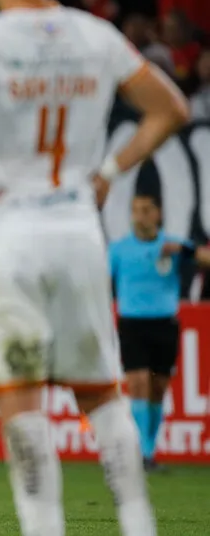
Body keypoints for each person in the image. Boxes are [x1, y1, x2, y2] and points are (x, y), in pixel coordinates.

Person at [0, 0, 190, 535]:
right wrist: (109, 174)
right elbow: (170, 109)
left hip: (5, 234)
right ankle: (140, 525)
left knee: (20, 398)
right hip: (76, 229)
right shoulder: (95, 35)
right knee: (102, 395)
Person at [110, 194, 210, 472]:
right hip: (132, 324)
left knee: (158, 388)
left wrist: (185, 251)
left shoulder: (173, 244)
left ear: (158, 214)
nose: (140, 216)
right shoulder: (119, 249)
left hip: (164, 325)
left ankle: (149, 451)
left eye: (145, 210)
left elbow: (206, 260)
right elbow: (103, 281)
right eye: (135, 210)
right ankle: (140, 452)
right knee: (138, 382)